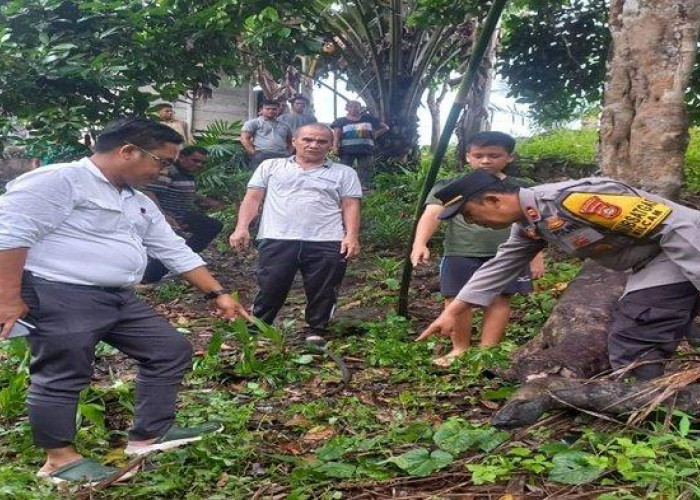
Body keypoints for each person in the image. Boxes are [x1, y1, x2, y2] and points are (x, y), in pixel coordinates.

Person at [0, 118, 250, 484]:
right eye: (162, 162)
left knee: (169, 349)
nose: (164, 170)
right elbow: (10, 233)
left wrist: (217, 292)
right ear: (128, 151)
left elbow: (171, 248)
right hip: (60, 292)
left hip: (117, 296)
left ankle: (151, 433)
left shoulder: (137, 199)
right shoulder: (59, 180)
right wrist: (8, 298)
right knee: (62, 374)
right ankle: (60, 461)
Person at [417, 169, 700, 381]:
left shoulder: (572, 201)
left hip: (679, 250)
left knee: (636, 335)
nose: (472, 222)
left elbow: (676, 226)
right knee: (678, 324)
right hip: (652, 262)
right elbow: (499, 266)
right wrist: (452, 312)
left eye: (469, 214)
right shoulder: (530, 224)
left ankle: (647, 410)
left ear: (492, 200)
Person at [411, 132, 545, 366]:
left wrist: (536, 257)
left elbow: (534, 224)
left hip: (508, 254)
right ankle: (459, 348)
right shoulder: (451, 186)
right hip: (459, 250)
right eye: (479, 155)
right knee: (455, 297)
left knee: (500, 298)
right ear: (467, 157)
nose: (485, 161)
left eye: (494, 155)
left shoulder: (519, 188)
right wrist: (419, 243)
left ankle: (486, 351)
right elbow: (432, 214)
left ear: (509, 157)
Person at [230, 123, 362, 346]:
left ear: (331, 145)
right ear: (294, 142)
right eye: (307, 139)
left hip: (327, 238)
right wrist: (241, 227)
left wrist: (351, 236)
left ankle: (316, 329)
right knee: (271, 284)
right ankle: (259, 326)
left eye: (321, 141)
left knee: (324, 287)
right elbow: (253, 198)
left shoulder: (344, 172)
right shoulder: (270, 166)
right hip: (278, 236)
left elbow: (350, 205)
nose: (314, 145)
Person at [141, 146, 225, 283]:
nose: (199, 165)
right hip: (168, 216)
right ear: (181, 157)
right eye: (195, 160)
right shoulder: (169, 172)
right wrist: (163, 216)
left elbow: (185, 190)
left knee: (212, 226)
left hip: (182, 214)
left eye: (203, 163)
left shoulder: (186, 173)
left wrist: (207, 201)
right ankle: (152, 275)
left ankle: (182, 261)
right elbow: (150, 193)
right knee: (175, 245)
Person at [331, 100, 389, 189]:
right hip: (346, 150)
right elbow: (336, 135)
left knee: (365, 168)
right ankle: (342, 185)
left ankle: (363, 185)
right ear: (346, 109)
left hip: (365, 149)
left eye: (357, 107)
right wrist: (335, 146)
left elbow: (386, 127)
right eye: (352, 107)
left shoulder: (368, 119)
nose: (355, 109)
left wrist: (377, 134)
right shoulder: (341, 121)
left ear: (360, 108)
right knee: (344, 168)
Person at [241, 100, 293, 169]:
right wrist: (254, 153)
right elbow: (244, 138)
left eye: (274, 109)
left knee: (281, 177)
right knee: (260, 178)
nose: (271, 111)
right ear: (261, 110)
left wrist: (289, 153)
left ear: (278, 110)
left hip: (282, 155)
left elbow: (291, 141)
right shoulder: (254, 123)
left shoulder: (285, 125)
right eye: (268, 109)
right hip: (262, 154)